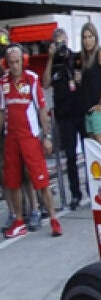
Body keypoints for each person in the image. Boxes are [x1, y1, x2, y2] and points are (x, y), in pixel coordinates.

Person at [2, 44, 61, 239]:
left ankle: (54, 219)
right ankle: (19, 221)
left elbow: (42, 111)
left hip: (30, 138)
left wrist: (47, 136)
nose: (15, 66)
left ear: (23, 61)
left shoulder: (32, 79)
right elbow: (2, 113)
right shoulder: (3, 82)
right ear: (6, 64)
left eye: (18, 62)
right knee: (12, 181)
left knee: (41, 180)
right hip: (11, 138)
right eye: (11, 63)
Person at [47, 28, 84, 208]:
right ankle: (75, 193)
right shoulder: (53, 63)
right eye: (58, 43)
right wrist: (50, 58)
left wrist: (78, 76)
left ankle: (95, 188)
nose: (61, 46)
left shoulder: (75, 57)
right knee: (70, 156)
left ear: (68, 40)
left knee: (89, 151)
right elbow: (46, 83)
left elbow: (82, 78)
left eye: (63, 42)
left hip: (79, 110)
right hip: (64, 115)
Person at [76, 22, 101, 149]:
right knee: (92, 149)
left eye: (90, 37)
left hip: (98, 108)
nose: (87, 41)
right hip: (86, 108)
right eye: (85, 37)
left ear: (95, 38)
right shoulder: (83, 57)